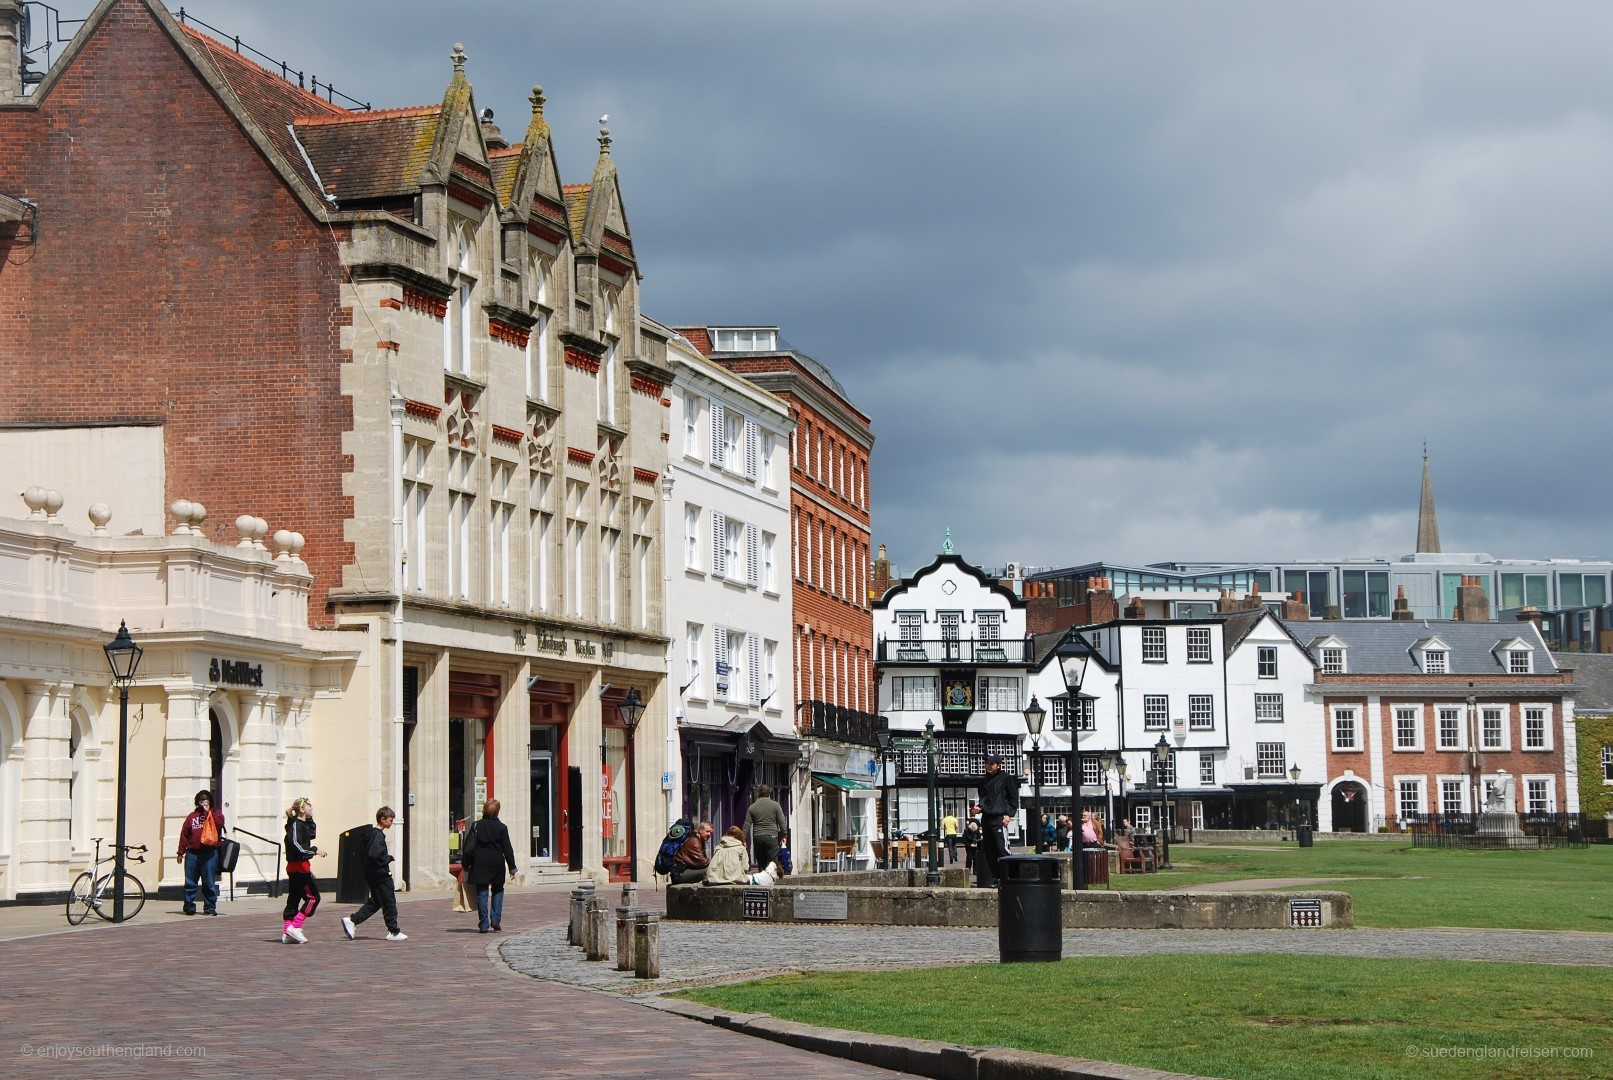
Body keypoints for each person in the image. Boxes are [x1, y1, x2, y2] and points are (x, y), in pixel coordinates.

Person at [341, 807, 406, 942]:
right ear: (382, 819)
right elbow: (375, 854)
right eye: (390, 820)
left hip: (374, 874)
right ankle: (393, 931)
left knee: (376, 902)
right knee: (389, 902)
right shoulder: (377, 835)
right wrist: (387, 858)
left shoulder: (372, 834)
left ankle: (352, 920)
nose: (392, 822)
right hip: (381, 875)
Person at [462, 798, 518, 933]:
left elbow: (469, 848)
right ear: (497, 812)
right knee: (498, 890)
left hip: (480, 863)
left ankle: (483, 923)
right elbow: (507, 849)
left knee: (482, 892)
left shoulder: (476, 825)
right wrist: (512, 867)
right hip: (496, 863)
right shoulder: (502, 827)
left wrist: (465, 864)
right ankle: (495, 920)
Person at [281, 797, 327, 943]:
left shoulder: (302, 824)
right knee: (313, 898)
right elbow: (295, 844)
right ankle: (295, 926)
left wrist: (311, 818)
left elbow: (311, 834)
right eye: (309, 807)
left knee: (293, 899)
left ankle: (287, 933)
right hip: (297, 867)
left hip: (301, 866)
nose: (311, 809)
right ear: (301, 809)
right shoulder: (295, 825)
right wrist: (313, 851)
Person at [176, 789, 226, 916]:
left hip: (209, 853)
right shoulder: (192, 816)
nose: (203, 801)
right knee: (190, 882)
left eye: (206, 799)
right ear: (197, 802)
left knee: (209, 882)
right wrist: (180, 852)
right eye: (201, 799)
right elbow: (184, 834)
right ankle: (189, 906)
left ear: (210, 801)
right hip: (193, 853)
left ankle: (209, 907)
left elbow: (220, 824)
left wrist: (209, 812)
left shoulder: (216, 813)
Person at [976, 754, 1019, 888]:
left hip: (999, 817)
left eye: (991, 763)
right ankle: (997, 878)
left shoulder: (1005, 778)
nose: (988, 766)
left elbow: (1013, 797)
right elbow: (984, 799)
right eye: (987, 763)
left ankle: (1011, 876)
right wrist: (979, 808)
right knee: (989, 850)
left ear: (998, 765)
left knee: (1001, 848)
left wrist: (1008, 815)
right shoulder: (984, 780)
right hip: (986, 818)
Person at [703, 826, 780, 886]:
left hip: (713, 879)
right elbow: (745, 867)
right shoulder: (741, 848)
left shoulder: (718, 847)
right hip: (733, 879)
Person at [743, 783, 788, 872]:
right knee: (772, 865)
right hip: (772, 838)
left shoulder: (752, 807)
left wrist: (743, 840)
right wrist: (784, 835)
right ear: (769, 793)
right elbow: (782, 822)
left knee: (761, 865)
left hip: (758, 838)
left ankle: (762, 884)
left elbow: (746, 825)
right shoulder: (776, 805)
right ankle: (771, 884)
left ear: (758, 793)